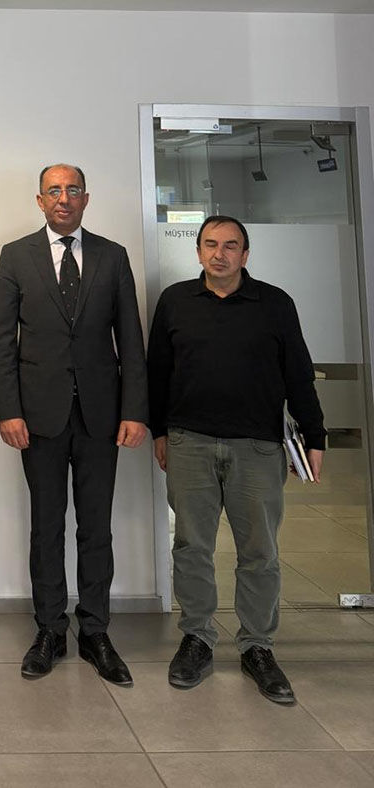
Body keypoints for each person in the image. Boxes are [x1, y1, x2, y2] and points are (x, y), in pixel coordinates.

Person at [148, 215, 325, 705]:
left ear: (245, 255)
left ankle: (257, 647)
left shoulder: (275, 304)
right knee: (191, 546)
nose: (219, 253)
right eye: (210, 244)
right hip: (189, 443)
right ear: (198, 251)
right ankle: (197, 638)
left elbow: (299, 374)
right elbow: (157, 372)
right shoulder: (175, 301)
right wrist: (160, 431)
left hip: (258, 448)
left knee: (260, 552)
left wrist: (315, 436)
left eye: (230, 246)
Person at [0, 164, 148, 686]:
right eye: (54, 191)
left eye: (72, 190)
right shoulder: (16, 256)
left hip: (102, 416)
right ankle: (50, 630)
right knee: (46, 526)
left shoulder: (112, 256)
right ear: (39, 201)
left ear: (86, 198)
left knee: (96, 527)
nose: (63, 198)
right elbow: (0, 340)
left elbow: (131, 339)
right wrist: (8, 409)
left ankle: (95, 631)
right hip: (39, 417)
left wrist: (134, 409)